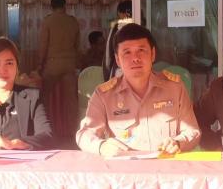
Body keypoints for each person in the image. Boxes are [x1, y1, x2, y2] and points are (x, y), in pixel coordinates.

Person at [77, 23, 200, 157]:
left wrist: (178, 143)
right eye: (127, 52)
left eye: (141, 50)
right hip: (126, 168)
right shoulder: (104, 95)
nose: (135, 58)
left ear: (153, 54)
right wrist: (102, 146)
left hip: (165, 165)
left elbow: (192, 131)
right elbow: (84, 134)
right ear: (117, 60)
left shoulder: (175, 88)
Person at [38, 0, 81, 141]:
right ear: (64, 6)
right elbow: (77, 46)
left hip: (52, 64)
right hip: (69, 63)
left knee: (43, 98)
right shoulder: (73, 22)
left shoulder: (48, 21)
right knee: (72, 101)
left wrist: (40, 64)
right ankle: (74, 132)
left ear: (51, 6)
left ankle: (45, 131)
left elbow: (43, 45)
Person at [103, 0, 133, 81]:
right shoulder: (144, 25)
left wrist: (107, 74)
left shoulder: (117, 27)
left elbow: (109, 54)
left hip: (120, 69)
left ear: (121, 13)